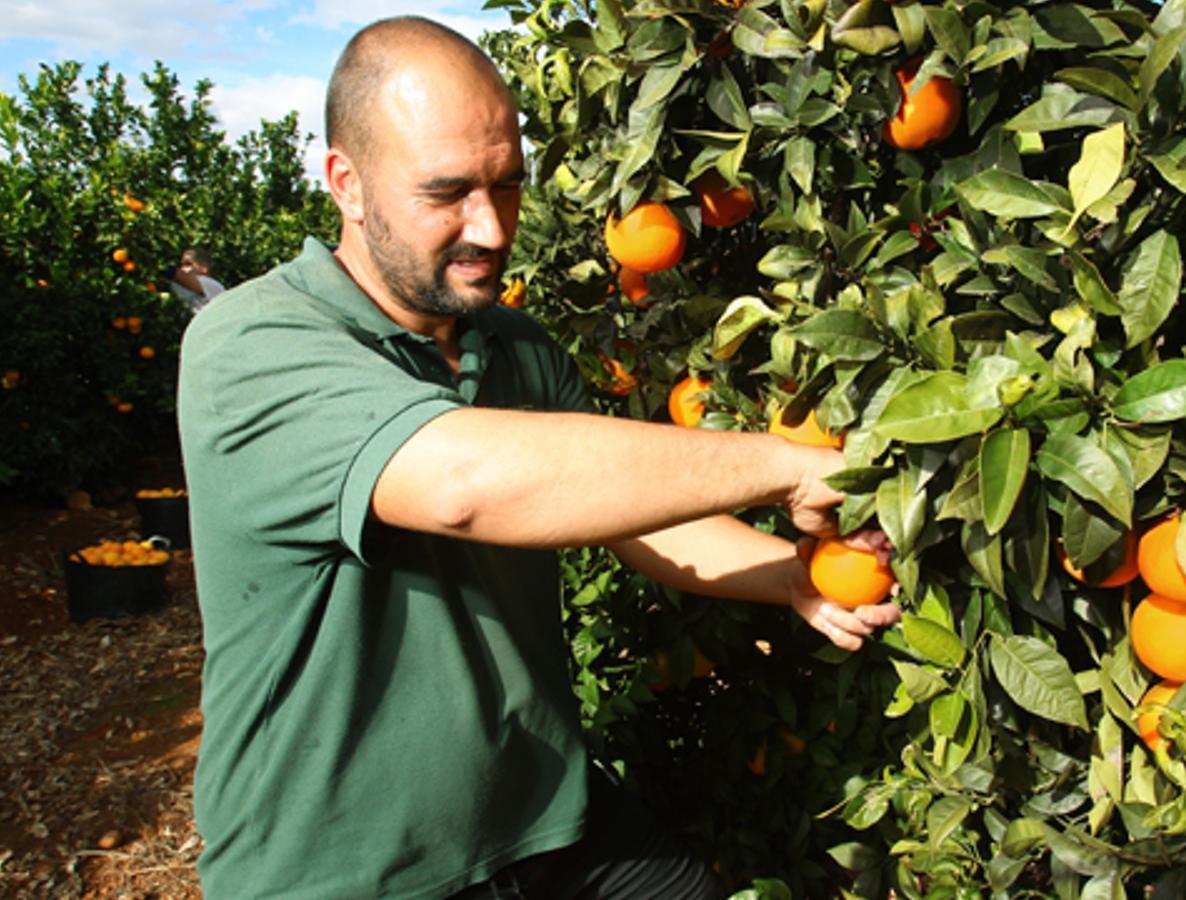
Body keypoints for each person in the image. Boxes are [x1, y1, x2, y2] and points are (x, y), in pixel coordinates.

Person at [175, 15, 901, 899]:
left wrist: (786, 575)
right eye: (447, 194)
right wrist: (786, 463)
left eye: (507, 187)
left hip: (542, 815)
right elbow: (462, 483)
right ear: (347, 184)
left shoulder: (513, 344)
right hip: (345, 868)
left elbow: (638, 525)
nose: (489, 226)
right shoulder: (250, 343)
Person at [168, 247, 225, 313]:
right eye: (182, 265)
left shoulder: (209, 283)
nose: (182, 268)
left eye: (188, 264)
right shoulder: (189, 287)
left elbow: (175, 275)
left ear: (204, 267)